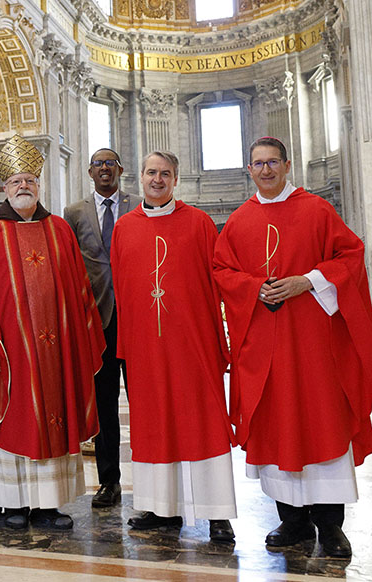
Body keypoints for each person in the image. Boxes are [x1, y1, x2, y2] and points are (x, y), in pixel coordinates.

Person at [213, 137, 372, 558]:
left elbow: (351, 256)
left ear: (287, 166)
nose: (265, 170)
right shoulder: (238, 222)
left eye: (273, 162)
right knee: (277, 426)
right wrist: (255, 288)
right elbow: (221, 270)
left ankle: (331, 526)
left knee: (320, 420)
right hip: (265, 349)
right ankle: (292, 521)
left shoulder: (316, 210)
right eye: (258, 164)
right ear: (248, 170)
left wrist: (308, 281)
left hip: (313, 347)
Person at [0, 134, 105, 530]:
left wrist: (78, 343)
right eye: (15, 182)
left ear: (39, 185)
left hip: (56, 351)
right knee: (15, 418)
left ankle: (48, 504)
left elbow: (79, 290)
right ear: (4, 189)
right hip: (8, 353)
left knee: (54, 417)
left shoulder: (60, 229)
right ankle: (12, 504)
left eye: (29, 180)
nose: (23, 186)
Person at [111, 151, 237, 542]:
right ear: (140, 177)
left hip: (193, 346)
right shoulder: (124, 227)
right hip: (147, 348)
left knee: (202, 421)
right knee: (154, 424)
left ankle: (217, 513)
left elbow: (218, 283)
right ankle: (161, 508)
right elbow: (123, 289)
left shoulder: (199, 223)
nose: (158, 179)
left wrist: (218, 342)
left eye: (166, 173)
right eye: (151, 172)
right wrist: (129, 344)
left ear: (176, 178)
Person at [63, 148, 132, 508]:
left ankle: (153, 481)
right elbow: (70, 263)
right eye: (98, 164)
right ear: (89, 172)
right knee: (104, 405)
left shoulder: (139, 205)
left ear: (120, 170)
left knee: (145, 402)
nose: (105, 169)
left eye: (110, 163)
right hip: (97, 319)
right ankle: (109, 482)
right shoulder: (74, 212)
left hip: (136, 318)